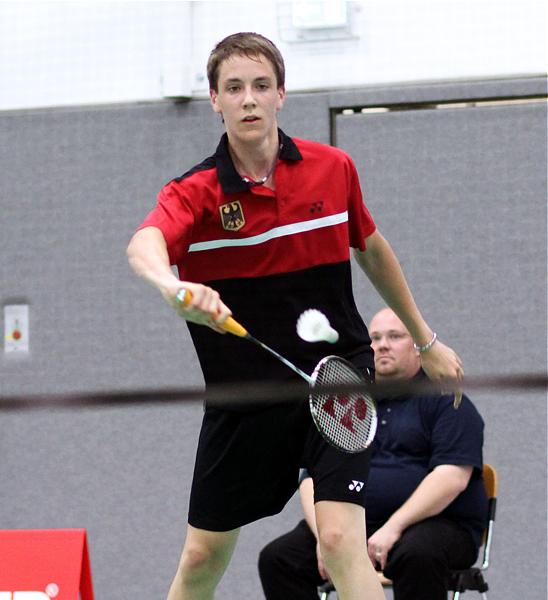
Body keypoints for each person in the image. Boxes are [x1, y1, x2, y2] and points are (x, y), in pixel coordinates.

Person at [126, 31, 463, 600]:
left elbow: (372, 248)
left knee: (337, 539)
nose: (249, 99)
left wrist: (427, 341)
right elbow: (145, 244)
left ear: (282, 93)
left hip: (336, 377)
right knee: (204, 556)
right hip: (246, 392)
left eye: (261, 86)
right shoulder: (196, 192)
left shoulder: (333, 168)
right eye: (234, 88)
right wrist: (172, 286)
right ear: (215, 100)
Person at [258, 307, 487, 600]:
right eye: (375, 338)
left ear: (419, 348)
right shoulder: (346, 404)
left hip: (436, 526)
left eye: (394, 336)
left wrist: (394, 528)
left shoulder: (447, 402)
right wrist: (325, 535)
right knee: (279, 559)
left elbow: (451, 477)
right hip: (355, 522)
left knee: (417, 555)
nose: (382, 345)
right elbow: (310, 476)